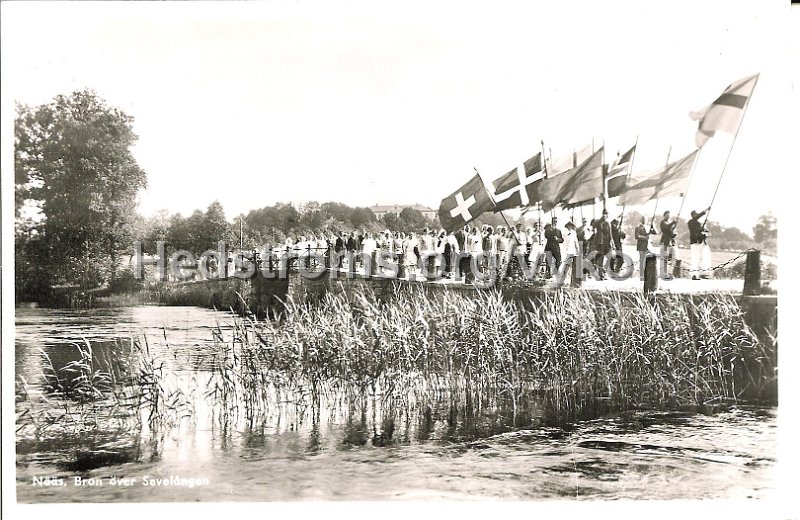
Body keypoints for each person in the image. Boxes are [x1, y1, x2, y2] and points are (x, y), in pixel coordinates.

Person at [688, 207, 712, 279]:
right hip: (695, 242)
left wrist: (705, 232)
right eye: (695, 214)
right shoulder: (691, 222)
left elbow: (703, 232)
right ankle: (694, 274)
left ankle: (704, 273)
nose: (697, 215)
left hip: (701, 242)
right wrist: (705, 210)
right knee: (695, 258)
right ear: (692, 215)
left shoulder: (698, 223)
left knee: (705, 256)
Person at [593, 210, 612, 280]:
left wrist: (611, 243)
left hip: (607, 244)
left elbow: (610, 234)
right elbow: (593, 225)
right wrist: (600, 219)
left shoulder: (608, 223)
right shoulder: (598, 222)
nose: (605, 216)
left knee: (611, 258)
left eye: (606, 214)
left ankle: (604, 271)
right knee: (600, 260)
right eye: (603, 214)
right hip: (600, 244)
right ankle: (601, 275)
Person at [659, 210, 678, 279]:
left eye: (669, 215)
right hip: (665, 242)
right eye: (667, 215)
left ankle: (670, 272)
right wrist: (673, 222)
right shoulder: (663, 222)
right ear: (664, 216)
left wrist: (674, 232)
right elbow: (666, 228)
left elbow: (671, 233)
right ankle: (664, 274)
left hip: (671, 243)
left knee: (674, 258)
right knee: (665, 258)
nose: (668, 216)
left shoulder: (669, 223)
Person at [562, 221, 581, 287]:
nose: (570, 227)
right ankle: (561, 282)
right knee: (566, 267)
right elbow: (563, 242)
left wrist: (578, 250)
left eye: (571, 226)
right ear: (567, 226)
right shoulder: (564, 232)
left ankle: (573, 283)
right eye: (569, 226)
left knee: (574, 268)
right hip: (567, 251)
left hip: (573, 251)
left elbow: (576, 242)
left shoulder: (574, 232)